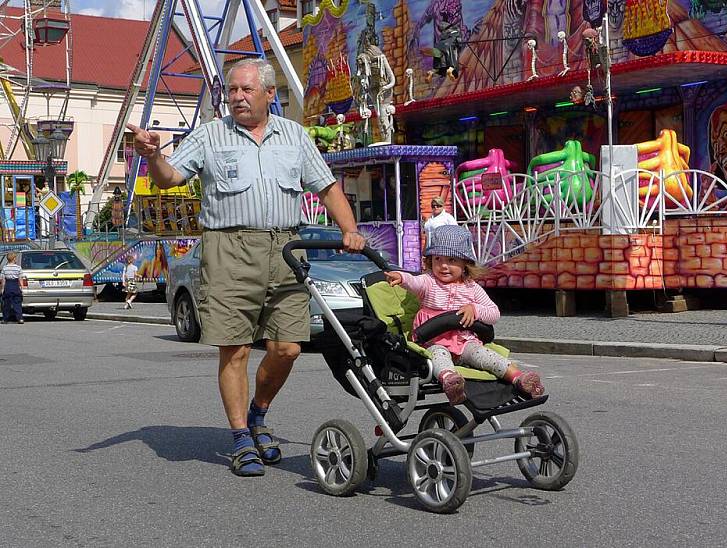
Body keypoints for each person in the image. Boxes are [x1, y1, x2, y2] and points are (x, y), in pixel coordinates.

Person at [126, 58, 365, 477]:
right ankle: (240, 438)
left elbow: (327, 187)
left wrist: (351, 230)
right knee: (235, 349)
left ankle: (258, 412)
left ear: (270, 94)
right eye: (232, 90)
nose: (236, 97)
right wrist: (152, 156)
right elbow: (169, 178)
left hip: (286, 247)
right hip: (228, 247)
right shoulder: (210, 136)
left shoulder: (293, 135)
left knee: (288, 347)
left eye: (246, 90)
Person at [384, 225, 543, 405]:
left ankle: (519, 379)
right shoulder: (429, 283)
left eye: (451, 259)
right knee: (438, 356)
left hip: (464, 341)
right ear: (430, 261)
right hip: (434, 340)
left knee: (486, 356)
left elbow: (494, 313)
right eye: (437, 259)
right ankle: (451, 383)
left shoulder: (472, 288)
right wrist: (402, 277)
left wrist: (474, 309)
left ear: (464, 263)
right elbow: (414, 282)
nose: (443, 266)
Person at [1, 251, 24, 324]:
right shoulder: (18, 268)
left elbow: (3, 279)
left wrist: (2, 289)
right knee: (17, 303)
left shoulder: (4, 268)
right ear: (14, 258)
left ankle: (5, 319)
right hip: (15, 285)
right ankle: (20, 318)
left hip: (8, 285)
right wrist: (21, 287)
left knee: (6, 303)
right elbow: (20, 279)